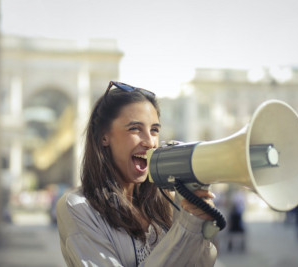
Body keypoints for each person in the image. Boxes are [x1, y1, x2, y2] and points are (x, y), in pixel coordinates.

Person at [56, 81, 218, 266]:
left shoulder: (167, 202)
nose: (150, 142)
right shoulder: (78, 207)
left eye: (154, 130)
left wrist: (199, 225)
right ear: (104, 137)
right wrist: (186, 229)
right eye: (135, 129)